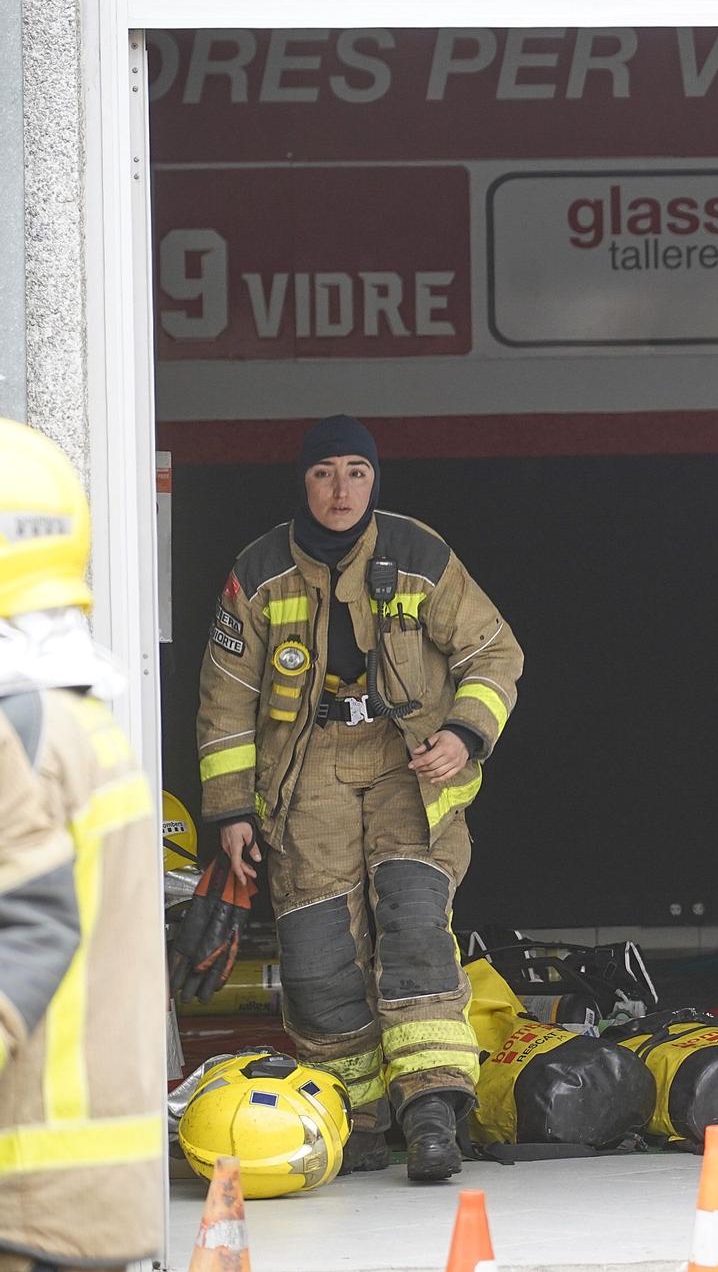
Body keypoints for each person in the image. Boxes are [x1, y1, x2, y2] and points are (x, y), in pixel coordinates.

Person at [187, 415, 522, 1182]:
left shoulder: (418, 553)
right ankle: (354, 1115)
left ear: (376, 479)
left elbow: (494, 650)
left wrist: (465, 735)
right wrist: (233, 811)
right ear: (302, 481)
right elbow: (225, 699)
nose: (342, 491)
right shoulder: (260, 570)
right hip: (307, 773)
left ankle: (434, 1109)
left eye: (357, 472)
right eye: (325, 473)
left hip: (411, 764)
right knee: (316, 951)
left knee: (412, 919)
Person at [0, 418, 163, 1269]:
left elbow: (24, 929)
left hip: (27, 1184)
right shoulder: (81, 721)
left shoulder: (15, 733)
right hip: (90, 1185)